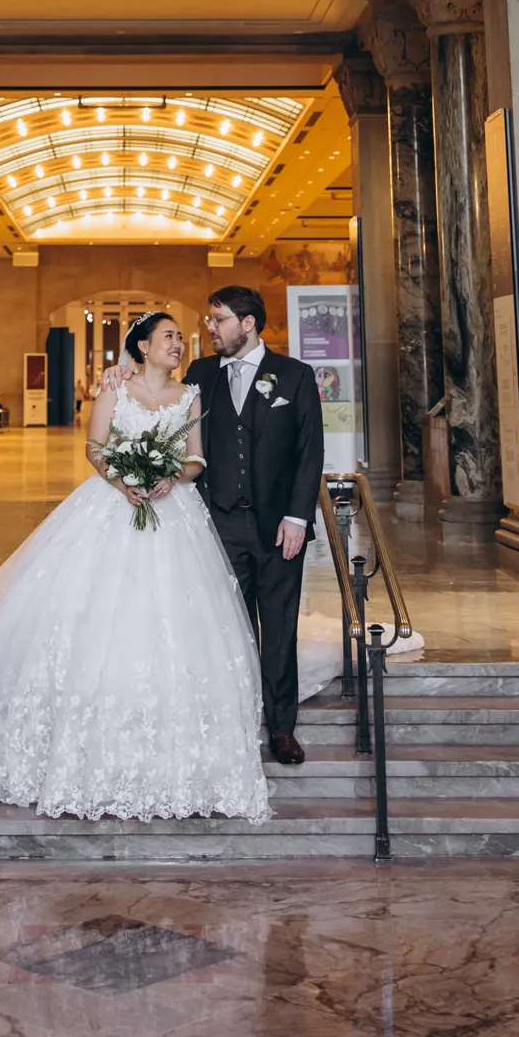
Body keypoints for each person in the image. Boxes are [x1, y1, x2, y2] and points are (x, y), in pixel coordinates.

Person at [0, 311, 271, 823]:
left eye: (181, 337)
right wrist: (123, 479)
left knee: (175, 622)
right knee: (95, 613)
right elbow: (95, 446)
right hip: (114, 505)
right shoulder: (114, 387)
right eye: (168, 337)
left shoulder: (190, 395)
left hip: (175, 513)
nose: (178, 344)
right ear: (143, 346)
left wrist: (173, 475)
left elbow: (197, 457)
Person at [184, 286, 325, 766]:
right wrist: (122, 369)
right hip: (220, 525)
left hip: (278, 528)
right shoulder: (200, 374)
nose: (210, 328)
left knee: (280, 629)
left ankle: (281, 729)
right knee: (231, 632)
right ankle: (237, 724)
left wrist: (297, 517)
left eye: (219, 319)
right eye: (209, 319)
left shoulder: (296, 376)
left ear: (247, 324)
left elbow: (310, 453)